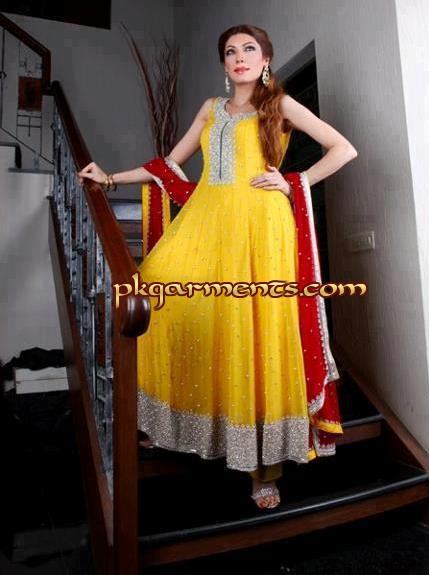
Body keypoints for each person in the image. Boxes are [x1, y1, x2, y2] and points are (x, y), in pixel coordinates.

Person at [78, 24, 357, 510]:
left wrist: (295, 182)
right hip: (205, 222)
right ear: (224, 63)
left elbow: (343, 149)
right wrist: (110, 177)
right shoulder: (211, 109)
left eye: (249, 49)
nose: (239, 57)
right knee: (158, 297)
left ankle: (262, 471)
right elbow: (168, 165)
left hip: (260, 228)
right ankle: (171, 420)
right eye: (231, 51)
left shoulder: (279, 105)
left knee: (254, 333)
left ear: (265, 59)